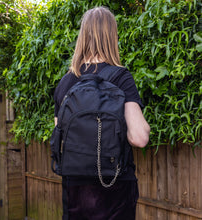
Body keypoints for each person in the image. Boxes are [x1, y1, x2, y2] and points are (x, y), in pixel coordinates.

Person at [53, 6, 150, 220]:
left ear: (83, 36)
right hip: (115, 188)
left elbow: (60, 137)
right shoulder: (121, 77)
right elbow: (139, 138)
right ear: (112, 36)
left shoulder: (66, 82)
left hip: (75, 189)